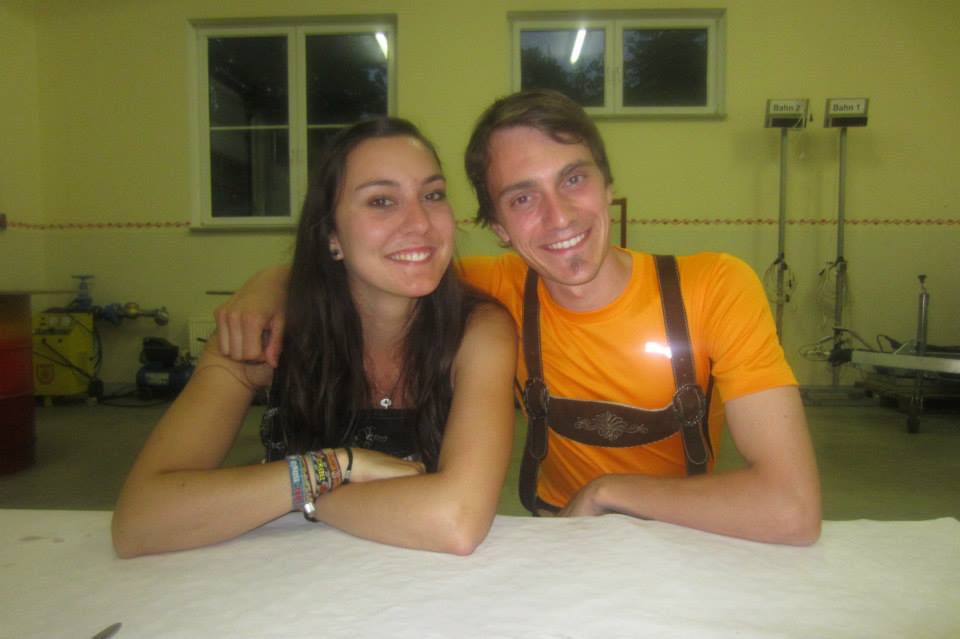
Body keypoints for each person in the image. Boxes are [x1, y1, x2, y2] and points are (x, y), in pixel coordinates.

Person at [215, 90, 822, 546]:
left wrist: (610, 493)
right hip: (550, 542)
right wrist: (270, 284)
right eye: (523, 198)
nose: (559, 218)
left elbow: (792, 508)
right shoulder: (494, 291)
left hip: (688, 537)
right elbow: (372, 269)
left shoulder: (713, 288)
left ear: (608, 185)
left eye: (574, 179)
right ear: (498, 228)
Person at [111, 118, 517, 558]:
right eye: (381, 201)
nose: (419, 223)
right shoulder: (266, 333)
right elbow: (139, 522)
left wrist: (301, 492)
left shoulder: (478, 330)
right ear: (331, 235)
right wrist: (336, 466)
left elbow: (455, 522)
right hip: (290, 579)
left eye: (432, 195)